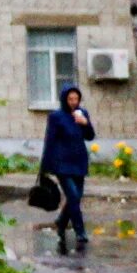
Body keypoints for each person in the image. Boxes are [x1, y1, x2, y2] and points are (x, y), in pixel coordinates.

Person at [39, 83, 95, 254]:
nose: (73, 102)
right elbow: (49, 140)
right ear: (64, 99)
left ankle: (61, 222)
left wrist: (85, 123)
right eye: (70, 99)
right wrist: (45, 165)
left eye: (76, 99)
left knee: (75, 198)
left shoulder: (82, 114)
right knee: (73, 196)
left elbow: (90, 136)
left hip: (79, 161)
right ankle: (80, 232)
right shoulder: (56, 117)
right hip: (62, 164)